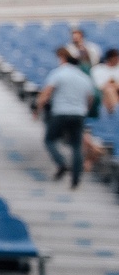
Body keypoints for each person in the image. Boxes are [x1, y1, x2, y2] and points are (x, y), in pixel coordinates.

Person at [36, 48, 96, 188]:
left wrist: (37, 108)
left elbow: (47, 93)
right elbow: (90, 98)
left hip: (60, 112)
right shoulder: (84, 77)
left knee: (49, 140)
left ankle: (61, 162)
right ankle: (76, 178)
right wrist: (84, 109)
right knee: (76, 146)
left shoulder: (58, 73)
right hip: (78, 113)